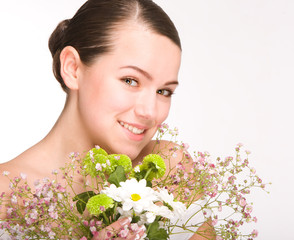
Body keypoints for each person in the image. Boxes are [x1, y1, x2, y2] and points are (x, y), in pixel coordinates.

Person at [0, 0, 214, 239]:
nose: (150, 112)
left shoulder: (166, 169)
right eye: (130, 80)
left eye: (164, 91)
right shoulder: (8, 195)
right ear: (72, 68)